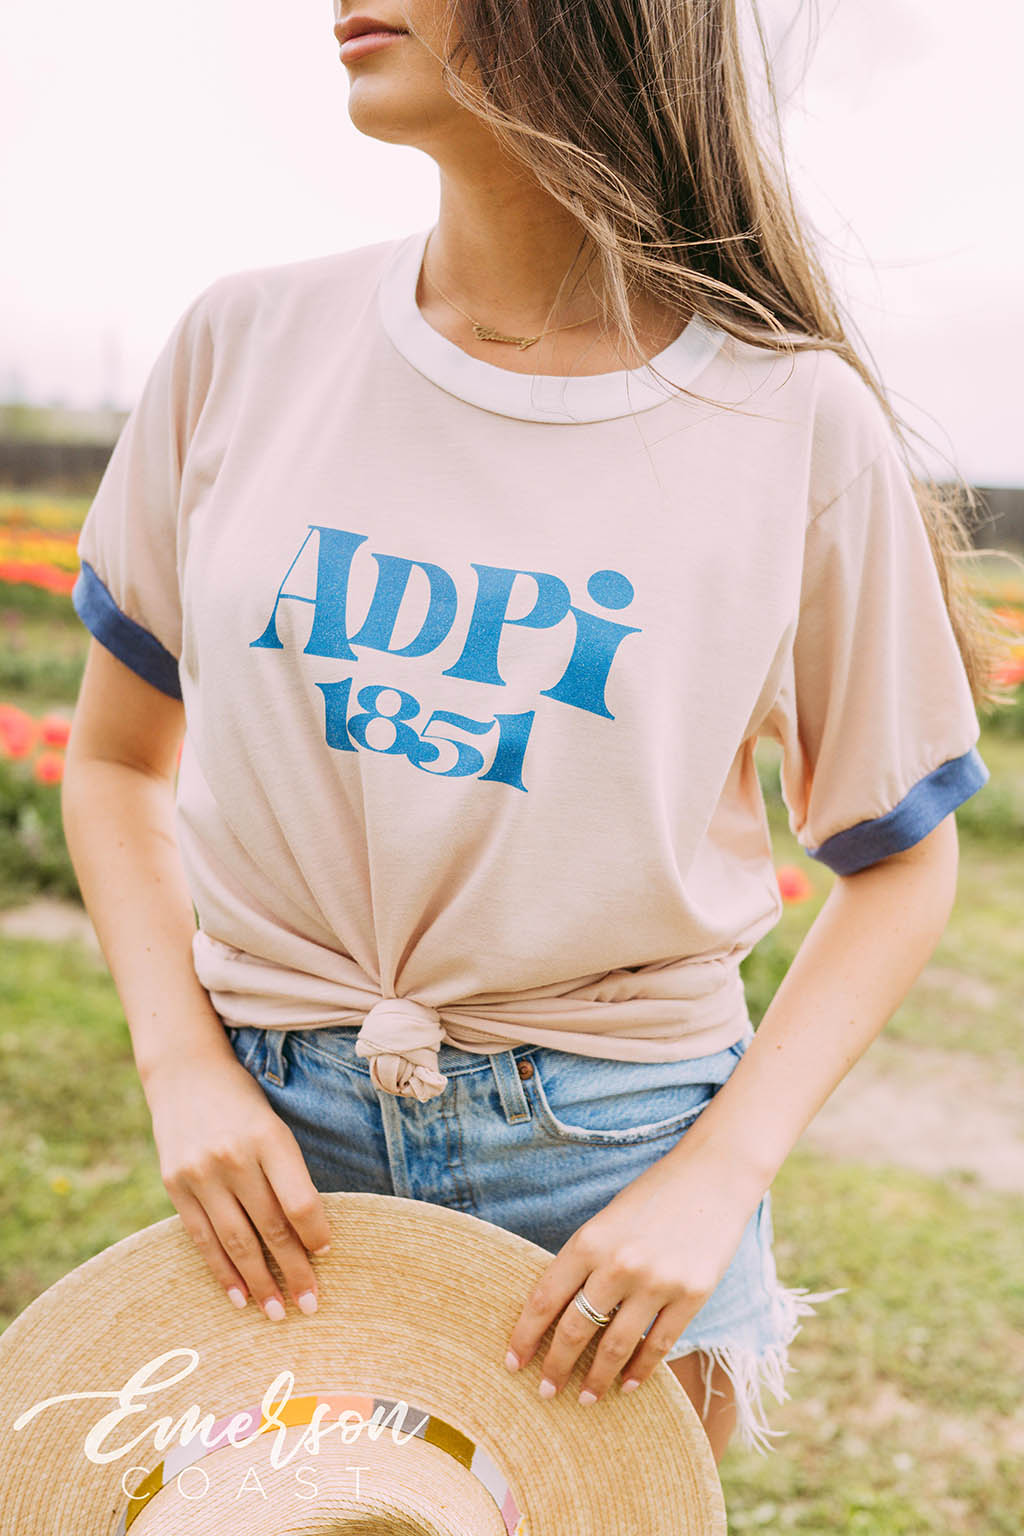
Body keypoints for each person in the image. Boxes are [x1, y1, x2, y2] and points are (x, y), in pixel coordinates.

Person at [62, 0, 1003, 1470]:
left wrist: (721, 1179)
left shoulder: (791, 423)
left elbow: (901, 861)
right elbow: (117, 762)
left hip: (617, 1170)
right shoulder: (244, 344)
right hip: (271, 1141)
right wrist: (182, 1066)